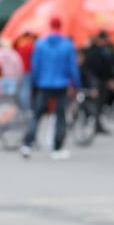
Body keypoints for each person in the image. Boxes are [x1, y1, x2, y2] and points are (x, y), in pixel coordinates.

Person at [20, 16, 81, 160]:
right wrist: (76, 84)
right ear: (60, 26)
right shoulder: (67, 44)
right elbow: (73, 67)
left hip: (44, 84)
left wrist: (35, 83)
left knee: (37, 114)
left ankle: (27, 144)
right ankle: (57, 148)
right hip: (61, 84)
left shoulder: (40, 44)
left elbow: (35, 66)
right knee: (60, 116)